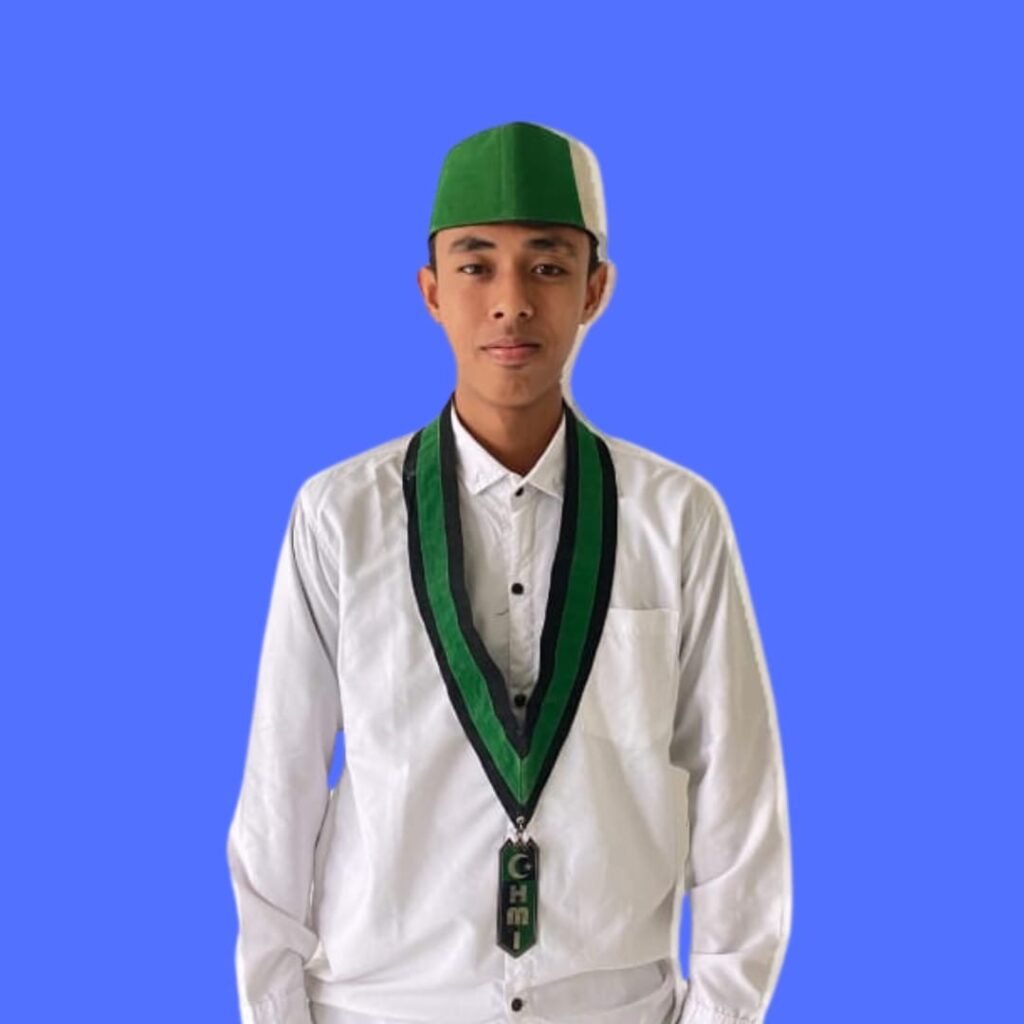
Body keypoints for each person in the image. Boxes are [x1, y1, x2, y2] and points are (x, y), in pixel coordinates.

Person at [226, 120, 793, 1024]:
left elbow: (740, 800)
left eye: (548, 266)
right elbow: (278, 791)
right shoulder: (340, 516)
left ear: (595, 288)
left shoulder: (676, 519)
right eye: (477, 265)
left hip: (610, 1007)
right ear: (431, 290)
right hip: (383, 1005)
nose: (511, 302)